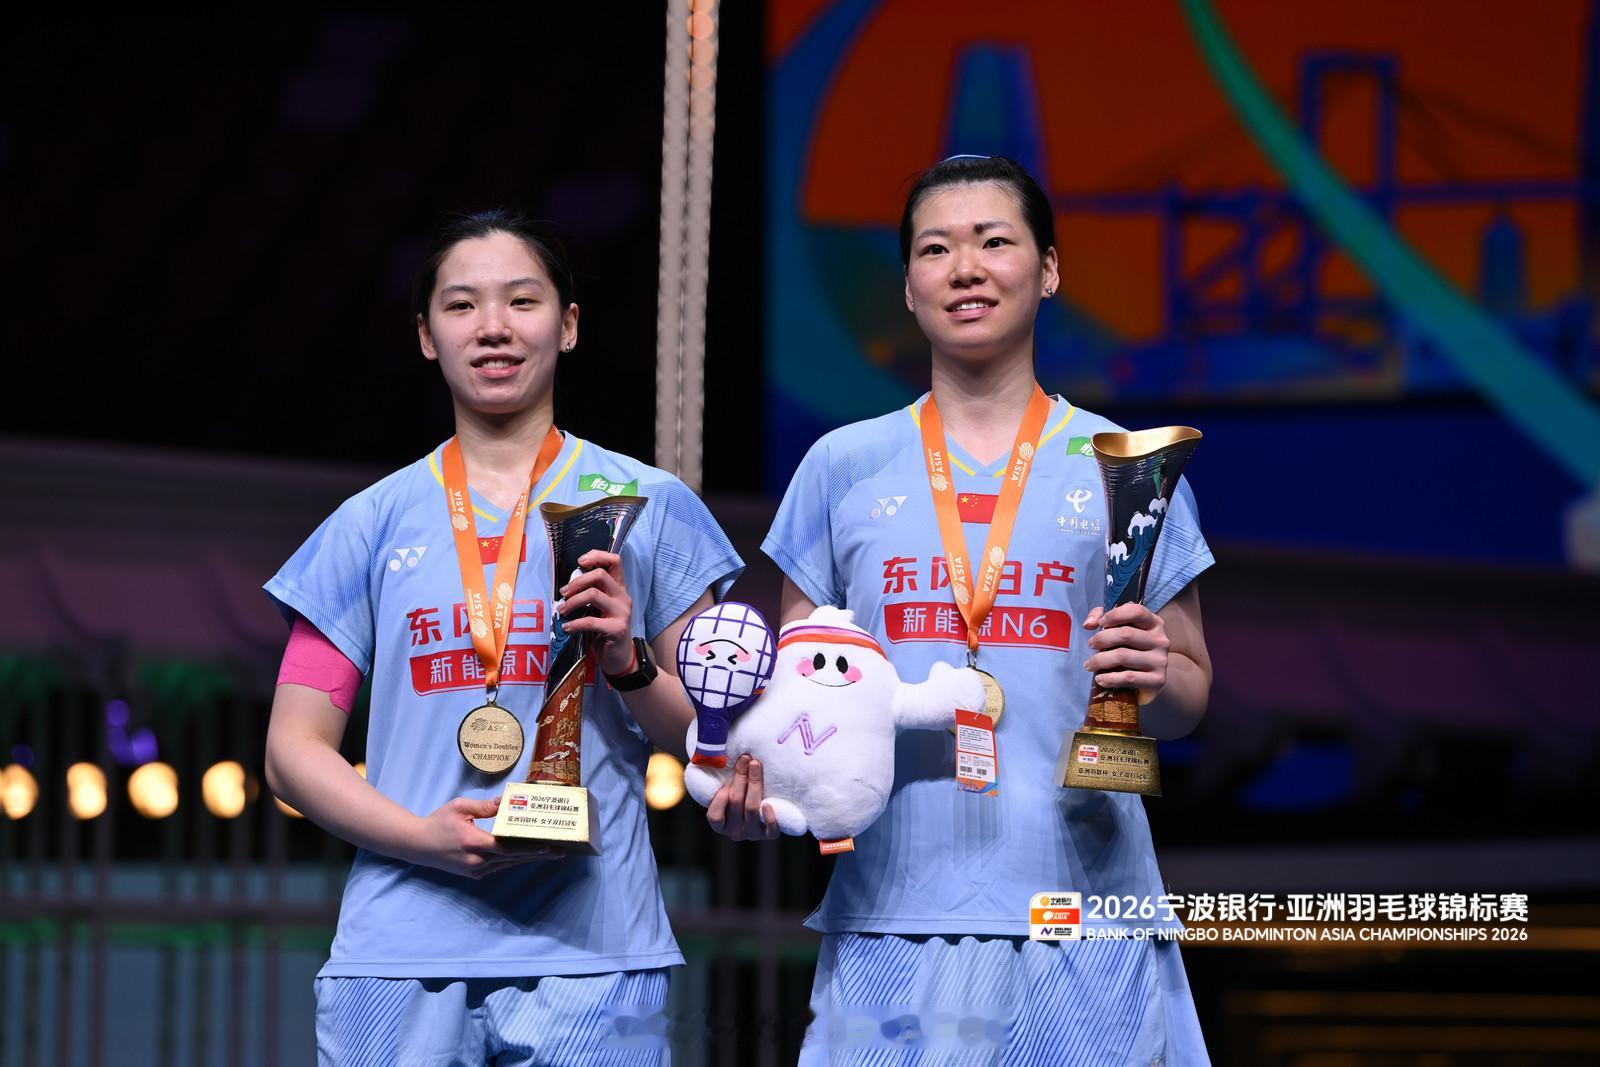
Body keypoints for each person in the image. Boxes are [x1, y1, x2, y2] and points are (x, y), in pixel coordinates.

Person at [710, 156, 1215, 1064]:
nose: (966, 269)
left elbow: (1187, 700)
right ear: (909, 286)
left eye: (994, 242)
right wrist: (758, 784)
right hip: (890, 918)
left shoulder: (1127, 465)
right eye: (936, 249)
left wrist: (1157, 675)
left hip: (1083, 916)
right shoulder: (842, 465)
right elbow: (798, 694)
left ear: (1048, 269)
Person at [264, 209, 742, 1065]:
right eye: (461, 305)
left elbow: (718, 738)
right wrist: (421, 836)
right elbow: (291, 752)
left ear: (568, 324)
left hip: (596, 957)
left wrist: (628, 660)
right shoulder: (367, 524)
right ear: (426, 335)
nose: (493, 326)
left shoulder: (649, 505)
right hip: (398, 955)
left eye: (522, 300)